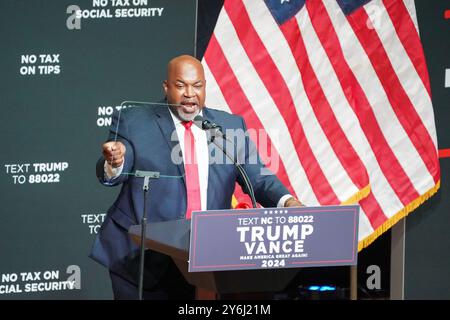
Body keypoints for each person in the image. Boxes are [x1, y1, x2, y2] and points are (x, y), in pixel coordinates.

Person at [91, 55, 303, 300]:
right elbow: (117, 166)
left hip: (205, 256)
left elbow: (257, 176)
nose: (190, 94)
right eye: (181, 86)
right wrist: (114, 162)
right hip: (140, 256)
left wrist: (288, 202)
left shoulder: (227, 125)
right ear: (166, 87)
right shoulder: (135, 121)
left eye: (197, 86)